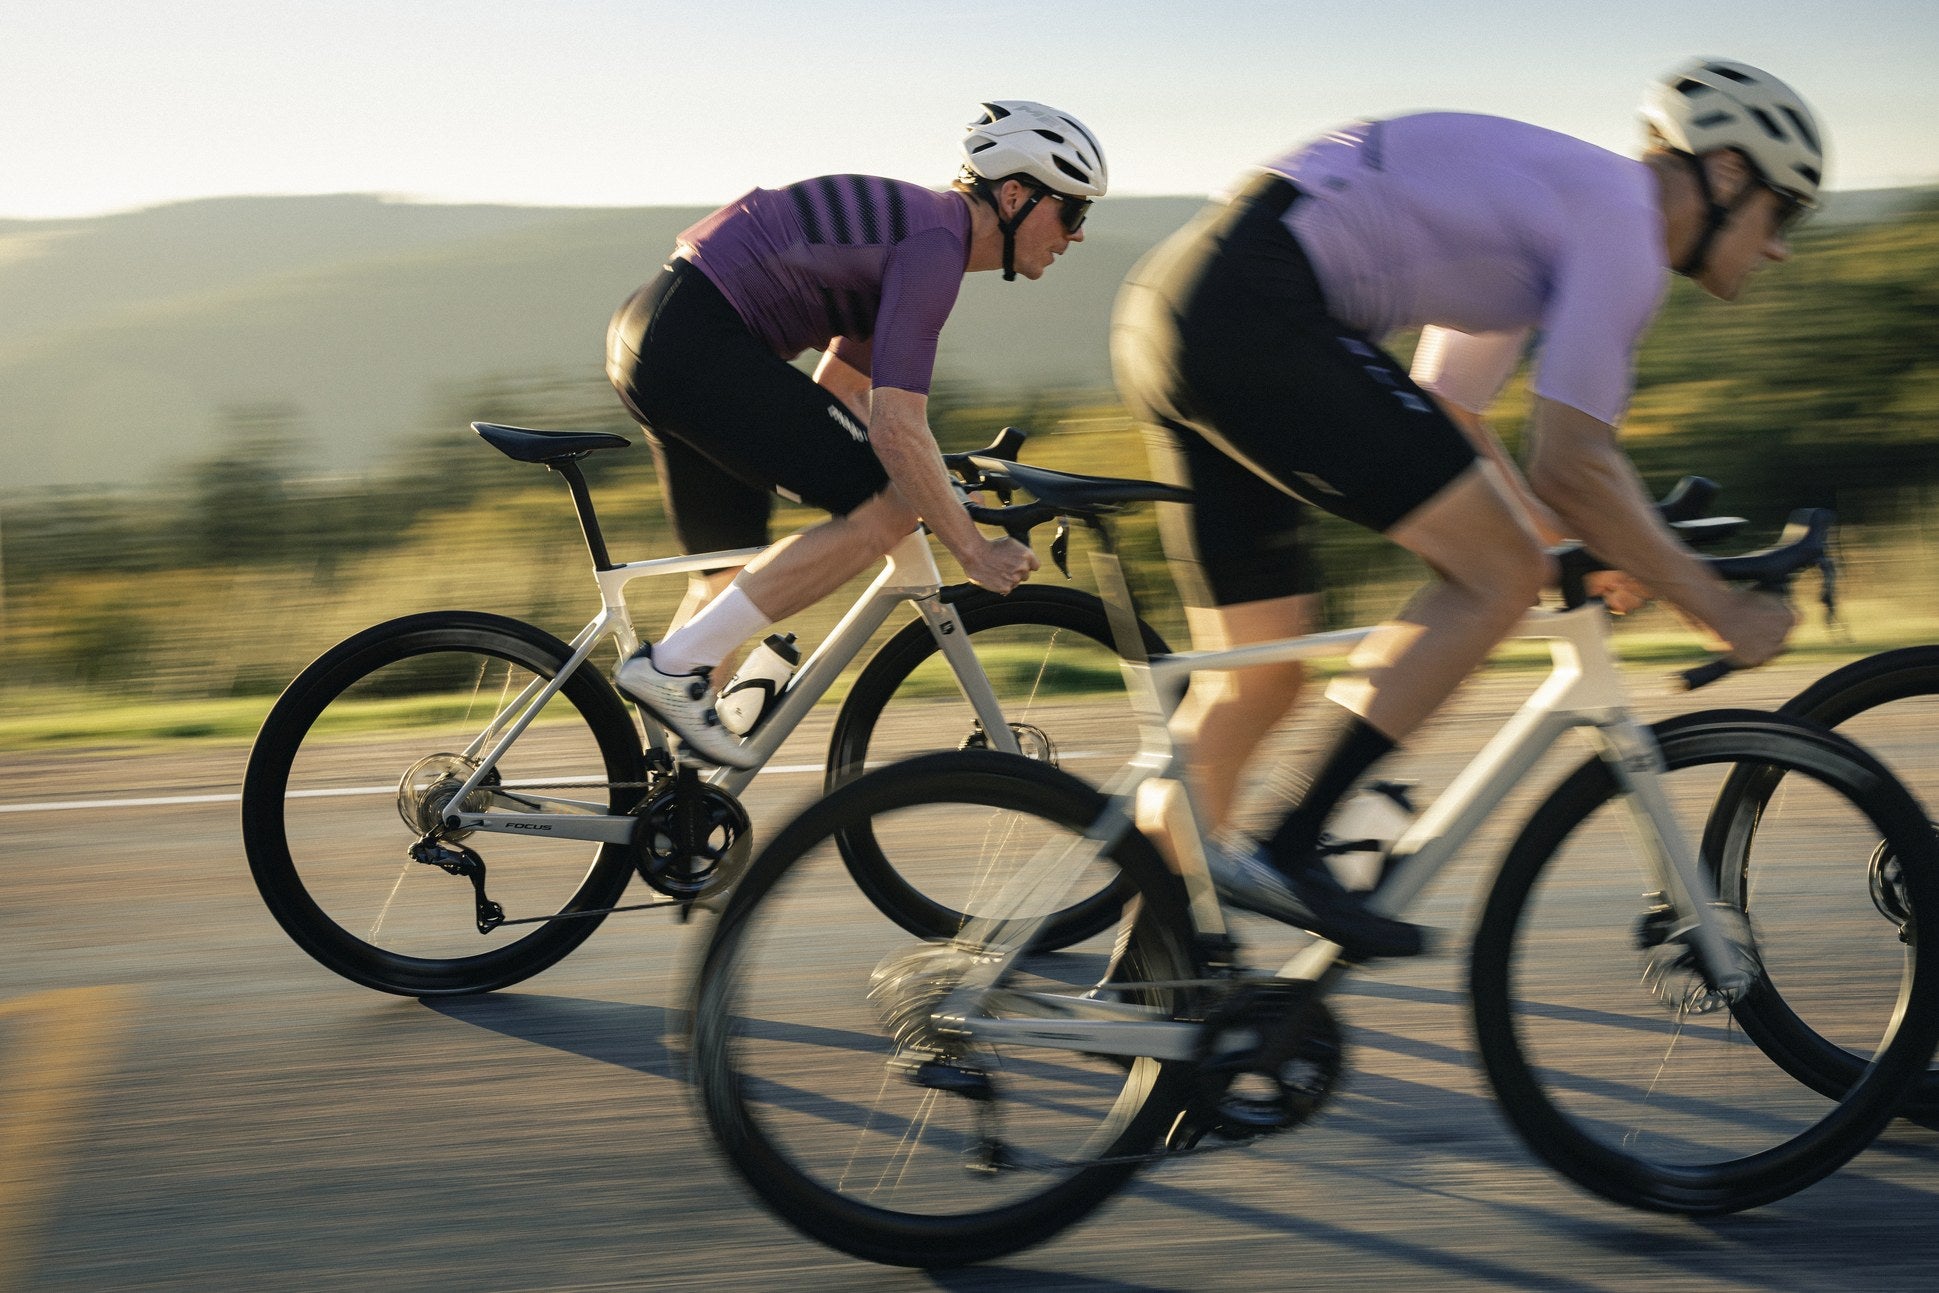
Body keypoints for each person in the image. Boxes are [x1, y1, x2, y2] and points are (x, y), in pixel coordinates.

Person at [1110, 58, 1821, 957]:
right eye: (1783, 211)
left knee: (1250, 680)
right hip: (1256, 310)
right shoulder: (1624, 229)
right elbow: (1571, 462)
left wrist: (1572, 543)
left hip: (1177, 303)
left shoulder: (1554, 204)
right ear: (1725, 174)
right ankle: (1293, 843)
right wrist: (1714, 605)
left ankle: (1156, 974)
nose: (1778, 246)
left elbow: (1449, 410)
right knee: (1496, 575)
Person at [606, 101, 1106, 767]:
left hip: (659, 335)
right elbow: (897, 429)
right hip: (697, 344)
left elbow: (840, 399)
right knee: (892, 508)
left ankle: (668, 785)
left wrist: (933, 477)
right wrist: (969, 546)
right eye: (1072, 211)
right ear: (1014, 194)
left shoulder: (918, 233)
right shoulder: (933, 247)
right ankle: (672, 671)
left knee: (723, 576)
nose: (1075, 235)